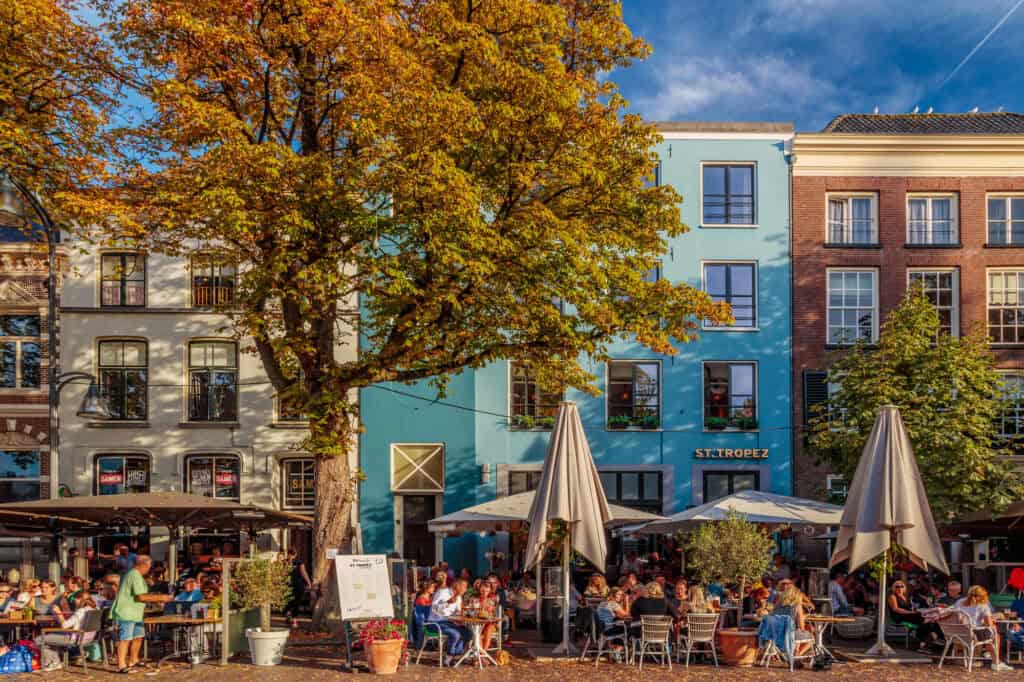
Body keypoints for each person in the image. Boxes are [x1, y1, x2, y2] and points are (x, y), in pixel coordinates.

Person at [111, 554, 152, 674]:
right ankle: (121, 666)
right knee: (126, 639)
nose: (149, 569)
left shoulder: (137, 575)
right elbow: (141, 596)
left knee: (138, 636)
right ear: (144, 565)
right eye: (149, 566)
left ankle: (134, 659)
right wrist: (161, 597)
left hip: (136, 613)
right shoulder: (133, 575)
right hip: (127, 612)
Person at [955, 585, 1010, 671]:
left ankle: (988, 653)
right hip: (972, 634)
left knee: (990, 632)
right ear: (981, 596)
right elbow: (989, 625)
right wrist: (991, 621)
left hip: (956, 634)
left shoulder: (959, 602)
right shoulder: (983, 606)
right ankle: (996, 662)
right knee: (995, 633)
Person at [887, 579, 941, 651]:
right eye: (897, 586)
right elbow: (896, 609)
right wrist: (911, 612)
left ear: (904, 588)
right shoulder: (892, 596)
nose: (899, 588)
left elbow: (910, 607)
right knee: (924, 618)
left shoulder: (904, 596)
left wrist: (914, 610)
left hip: (908, 615)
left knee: (927, 619)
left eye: (901, 586)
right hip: (899, 616)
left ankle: (924, 639)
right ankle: (927, 638)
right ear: (894, 588)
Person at [428, 577, 470, 665]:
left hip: (449, 622)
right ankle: (448, 659)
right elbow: (434, 608)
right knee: (455, 634)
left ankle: (453, 654)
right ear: (457, 585)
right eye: (464, 586)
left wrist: (466, 614)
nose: (465, 589)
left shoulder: (459, 598)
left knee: (468, 633)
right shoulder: (442, 592)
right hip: (435, 622)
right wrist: (447, 603)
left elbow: (458, 613)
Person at [775, 585, 813, 657]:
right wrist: (803, 618)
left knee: (796, 633)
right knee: (811, 639)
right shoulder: (797, 606)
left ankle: (794, 653)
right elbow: (801, 627)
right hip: (790, 635)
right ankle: (796, 656)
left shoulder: (778, 605)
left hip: (777, 634)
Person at [467, 580, 500, 650]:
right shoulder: (473, 599)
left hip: (489, 623)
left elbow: (491, 614)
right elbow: (469, 611)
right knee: (477, 631)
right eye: (483, 590)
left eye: (487, 590)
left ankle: (482, 654)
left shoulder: (492, 599)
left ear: (490, 590)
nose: (485, 592)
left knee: (489, 629)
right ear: (479, 589)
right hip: (476, 623)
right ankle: (482, 657)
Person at [284, 548, 312, 629]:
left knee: (296, 602)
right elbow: (283, 573)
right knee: (289, 602)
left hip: (298, 585)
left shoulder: (299, 563)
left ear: (295, 555)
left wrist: (309, 582)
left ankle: (294, 620)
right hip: (287, 585)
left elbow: (304, 573)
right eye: (290, 554)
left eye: (292, 554)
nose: (291, 556)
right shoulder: (285, 562)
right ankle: (289, 615)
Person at [596, 588, 630, 653]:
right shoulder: (613, 604)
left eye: (622, 595)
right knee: (629, 630)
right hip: (608, 630)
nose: (621, 596)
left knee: (621, 627)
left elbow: (617, 616)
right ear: (612, 595)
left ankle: (612, 649)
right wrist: (626, 601)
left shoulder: (602, 603)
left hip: (600, 628)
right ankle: (617, 650)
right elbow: (626, 615)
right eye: (619, 594)